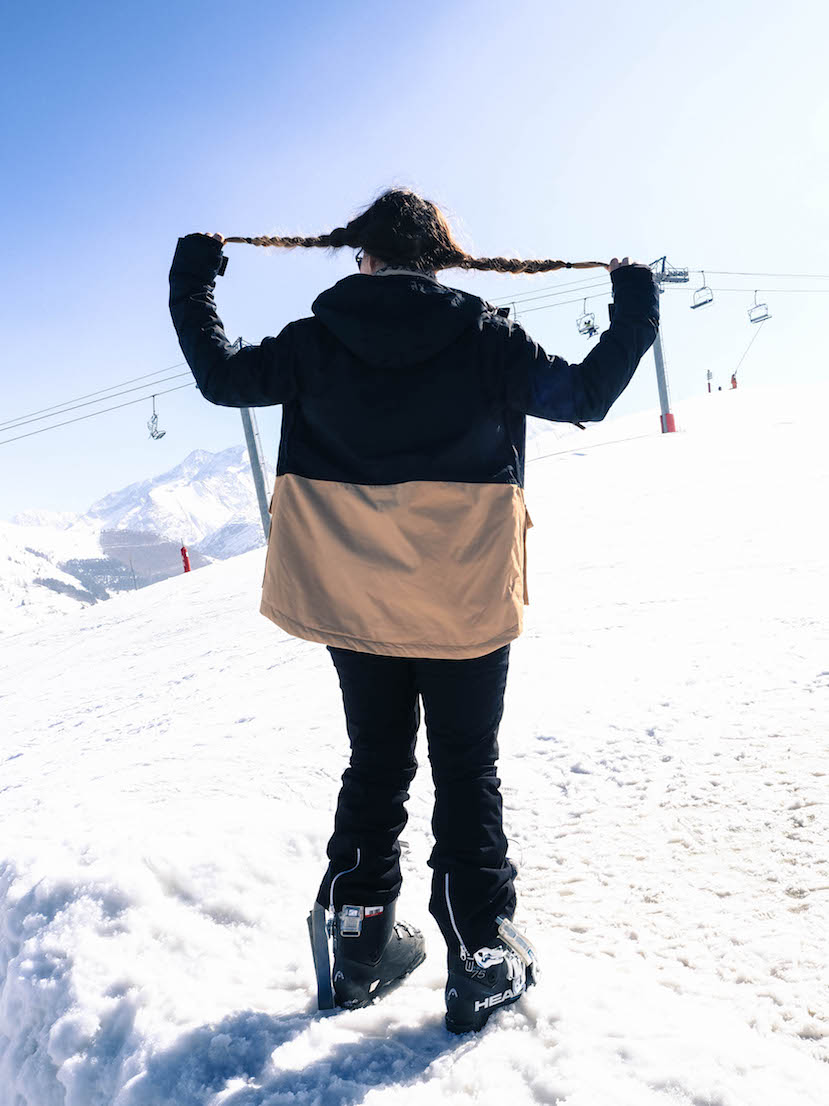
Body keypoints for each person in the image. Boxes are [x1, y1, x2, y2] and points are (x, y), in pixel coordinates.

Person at [168, 187, 659, 1033]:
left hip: (349, 594)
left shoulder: (313, 343)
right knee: (466, 768)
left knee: (378, 759)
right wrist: (634, 305)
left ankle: (358, 944)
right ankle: (479, 952)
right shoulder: (486, 338)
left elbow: (220, 377)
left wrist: (194, 282)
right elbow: (584, 396)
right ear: (440, 255)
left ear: (362, 256)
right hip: (463, 593)